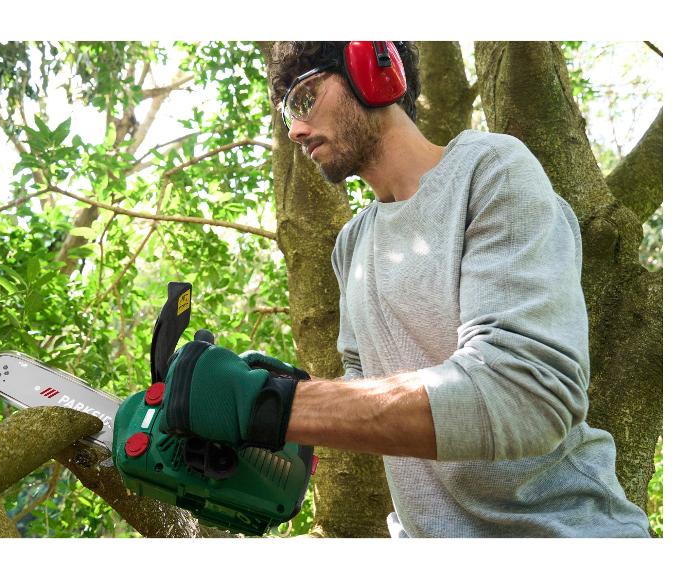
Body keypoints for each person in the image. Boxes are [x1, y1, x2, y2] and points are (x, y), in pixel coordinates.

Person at [158, 41, 651, 537]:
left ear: (374, 70)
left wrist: (271, 405)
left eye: (303, 99)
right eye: (287, 114)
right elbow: (367, 391)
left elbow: (524, 393)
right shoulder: (352, 244)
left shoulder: (490, 170)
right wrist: (274, 400)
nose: (295, 130)